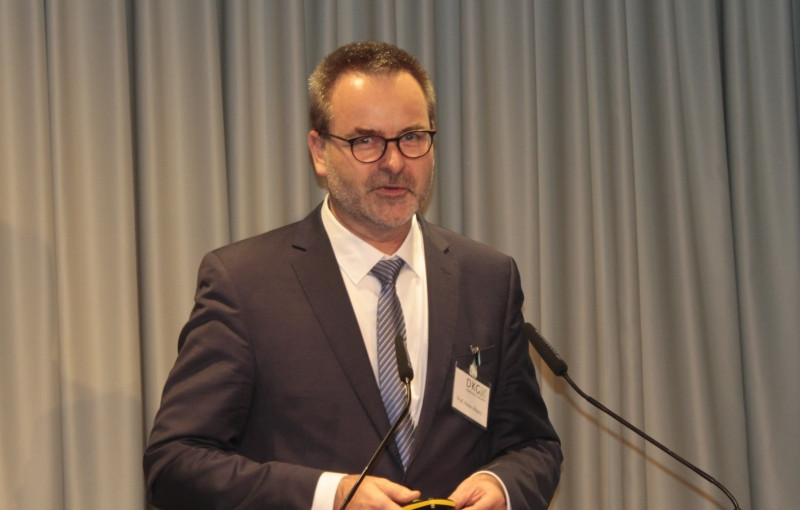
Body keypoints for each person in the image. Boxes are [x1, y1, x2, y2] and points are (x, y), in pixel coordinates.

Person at [143, 41, 562, 510]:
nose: (394, 162)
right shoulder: (244, 284)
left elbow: (533, 445)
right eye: (366, 141)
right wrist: (330, 495)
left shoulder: (487, 279)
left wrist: (501, 485)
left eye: (412, 137)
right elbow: (175, 463)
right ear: (320, 152)